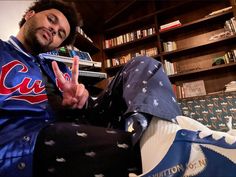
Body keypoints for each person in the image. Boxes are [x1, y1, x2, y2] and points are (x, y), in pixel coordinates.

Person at [1, 0, 236, 177]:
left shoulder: (55, 69)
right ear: (30, 15)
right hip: (27, 142)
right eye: (52, 20)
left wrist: (77, 103)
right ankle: (176, 142)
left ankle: (163, 138)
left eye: (61, 33)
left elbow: (83, 116)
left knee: (143, 64)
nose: (54, 31)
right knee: (132, 148)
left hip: (77, 125)